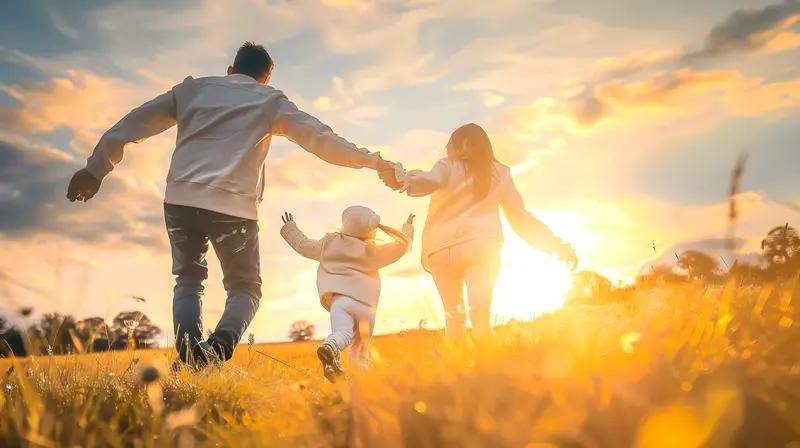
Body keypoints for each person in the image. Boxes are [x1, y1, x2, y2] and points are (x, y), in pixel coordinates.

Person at [66, 42, 402, 366]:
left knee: (188, 279)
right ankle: (215, 350)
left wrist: (95, 170)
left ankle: (191, 357)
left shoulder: (191, 90)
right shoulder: (270, 100)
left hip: (181, 200)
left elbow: (134, 122)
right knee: (245, 288)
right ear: (265, 78)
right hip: (234, 208)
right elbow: (322, 139)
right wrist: (374, 162)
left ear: (230, 70)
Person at [382, 123, 577, 341]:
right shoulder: (500, 173)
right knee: (480, 316)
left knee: (454, 318)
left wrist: (405, 180)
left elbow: (430, 180)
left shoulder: (447, 166)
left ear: (460, 145)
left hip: (442, 250)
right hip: (482, 247)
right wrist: (555, 245)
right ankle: (485, 360)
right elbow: (520, 217)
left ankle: (458, 362)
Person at [279, 207, 413, 381]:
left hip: (340, 303)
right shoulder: (372, 251)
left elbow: (303, 245)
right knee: (360, 348)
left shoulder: (329, 243)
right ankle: (358, 383)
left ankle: (330, 346)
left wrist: (290, 228)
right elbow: (400, 248)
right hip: (366, 308)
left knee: (342, 334)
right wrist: (407, 228)